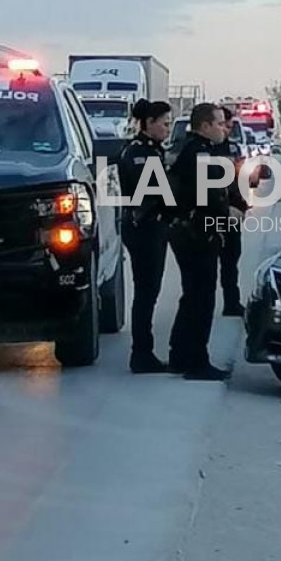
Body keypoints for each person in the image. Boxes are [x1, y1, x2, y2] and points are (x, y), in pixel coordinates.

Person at [167, 102, 232, 381]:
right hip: (197, 233)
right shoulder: (199, 154)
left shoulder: (191, 149)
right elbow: (209, 196)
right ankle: (197, 361)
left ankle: (180, 354)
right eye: (219, 123)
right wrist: (228, 215)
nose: (224, 128)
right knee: (202, 298)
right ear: (205, 126)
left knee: (191, 295)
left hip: (187, 231)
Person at [117, 99, 175, 373]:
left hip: (150, 226)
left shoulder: (151, 151)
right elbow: (155, 193)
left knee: (149, 290)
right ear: (149, 124)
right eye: (164, 124)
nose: (168, 129)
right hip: (145, 227)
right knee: (146, 291)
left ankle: (143, 351)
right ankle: (141, 353)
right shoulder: (140, 153)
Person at [215, 108, 251, 316]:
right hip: (212, 212)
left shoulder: (233, 148)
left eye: (228, 127)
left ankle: (231, 302)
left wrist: (242, 206)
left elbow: (240, 180)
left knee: (231, 260)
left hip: (232, 212)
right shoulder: (206, 150)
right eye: (224, 126)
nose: (226, 130)